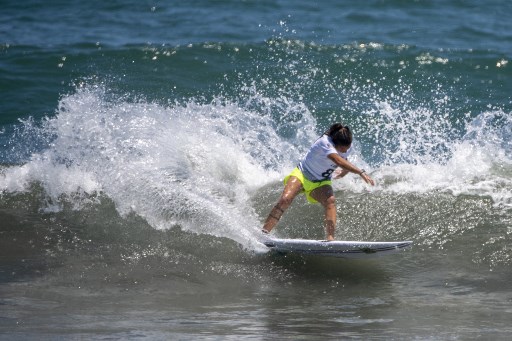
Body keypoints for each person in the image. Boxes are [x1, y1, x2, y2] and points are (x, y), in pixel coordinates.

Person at [261, 123, 375, 241]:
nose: (345, 150)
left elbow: (344, 159)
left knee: (330, 201)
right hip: (303, 174)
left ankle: (330, 239)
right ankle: (264, 233)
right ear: (335, 144)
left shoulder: (346, 145)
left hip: (321, 181)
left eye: (347, 148)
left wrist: (344, 172)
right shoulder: (325, 143)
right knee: (285, 200)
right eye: (341, 149)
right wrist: (360, 172)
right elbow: (338, 160)